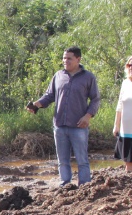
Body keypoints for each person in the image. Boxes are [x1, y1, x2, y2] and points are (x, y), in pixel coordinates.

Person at [26, 46, 100, 188]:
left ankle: (84, 187)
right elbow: (49, 96)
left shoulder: (88, 77)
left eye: (69, 58)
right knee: (62, 160)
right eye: (64, 58)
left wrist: (88, 116)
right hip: (59, 125)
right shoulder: (58, 76)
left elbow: (95, 99)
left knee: (82, 160)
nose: (65, 61)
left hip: (79, 126)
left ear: (78, 59)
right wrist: (36, 104)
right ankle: (65, 185)